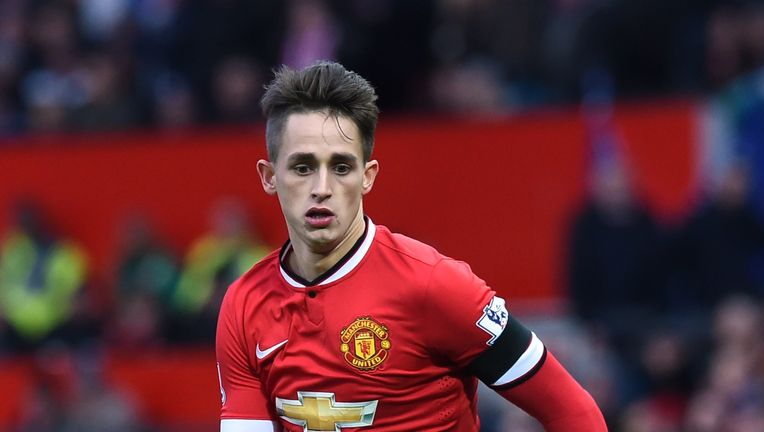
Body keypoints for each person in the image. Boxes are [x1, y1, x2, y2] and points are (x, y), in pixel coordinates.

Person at [215, 61, 607, 431]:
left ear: (367, 177)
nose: (321, 188)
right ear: (269, 177)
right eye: (302, 167)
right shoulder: (244, 305)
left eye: (341, 167)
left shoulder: (434, 285)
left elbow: (574, 412)